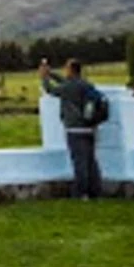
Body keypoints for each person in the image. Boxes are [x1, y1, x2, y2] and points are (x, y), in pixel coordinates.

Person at [40, 59, 102, 199]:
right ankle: (95, 191)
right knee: (91, 161)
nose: (65, 71)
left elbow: (51, 90)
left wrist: (44, 77)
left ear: (71, 70)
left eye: (66, 68)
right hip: (90, 128)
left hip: (75, 129)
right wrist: (51, 74)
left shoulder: (69, 88)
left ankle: (82, 193)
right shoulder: (86, 85)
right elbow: (64, 82)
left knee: (79, 162)